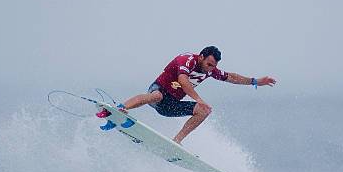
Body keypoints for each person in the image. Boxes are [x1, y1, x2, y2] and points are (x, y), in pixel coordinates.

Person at [96, 46, 276, 144]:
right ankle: (122, 107)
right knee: (157, 96)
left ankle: (177, 142)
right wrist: (198, 98)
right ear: (201, 56)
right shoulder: (186, 59)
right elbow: (183, 81)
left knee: (204, 111)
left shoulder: (210, 70)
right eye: (209, 64)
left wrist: (255, 81)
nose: (211, 68)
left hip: (171, 105)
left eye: (213, 66)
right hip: (159, 90)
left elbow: (231, 77)